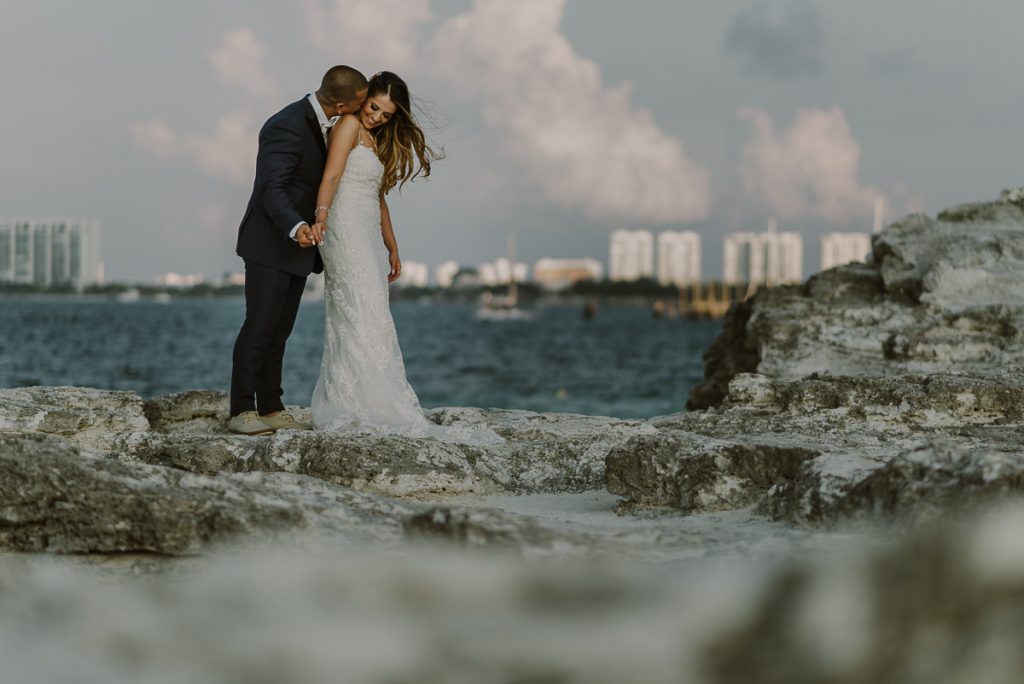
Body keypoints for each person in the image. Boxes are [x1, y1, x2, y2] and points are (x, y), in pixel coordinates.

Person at [228, 66, 368, 436]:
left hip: (299, 249)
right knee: (259, 328)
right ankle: (241, 409)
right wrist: (296, 226)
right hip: (270, 243)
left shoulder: (327, 123)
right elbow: (270, 188)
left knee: (279, 332)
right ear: (341, 105)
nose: (362, 109)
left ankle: (271, 406)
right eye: (360, 103)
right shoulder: (286, 124)